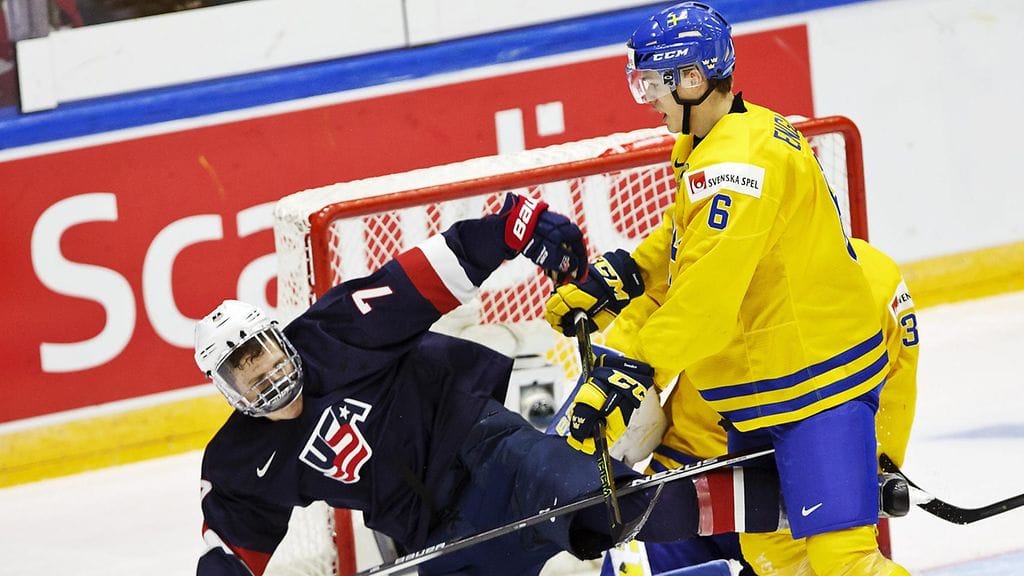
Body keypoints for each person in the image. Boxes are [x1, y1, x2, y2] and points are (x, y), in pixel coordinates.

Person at [194, 194, 786, 576]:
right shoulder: (241, 459)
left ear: (279, 336)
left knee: (594, 496)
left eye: (266, 355)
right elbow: (227, 551)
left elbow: (421, 274)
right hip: (428, 532)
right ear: (229, 394)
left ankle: (792, 503)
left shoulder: (334, 331)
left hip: (484, 448)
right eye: (247, 374)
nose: (269, 375)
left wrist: (511, 229)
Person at [545, 3, 913, 575]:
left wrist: (629, 368)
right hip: (762, 397)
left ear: (692, 78)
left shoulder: (738, 164)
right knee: (772, 553)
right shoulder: (720, 142)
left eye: (652, 82)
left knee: (843, 563)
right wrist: (626, 273)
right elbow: (688, 240)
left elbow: (704, 305)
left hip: (817, 393)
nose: (647, 97)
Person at [597, 237, 920, 575]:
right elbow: (894, 398)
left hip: (756, 487)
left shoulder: (724, 242)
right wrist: (873, 470)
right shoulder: (879, 277)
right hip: (744, 483)